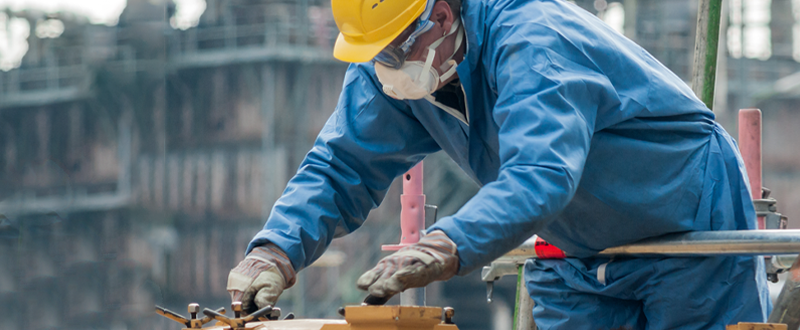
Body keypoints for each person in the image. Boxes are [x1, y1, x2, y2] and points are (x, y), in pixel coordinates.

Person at [227, 0, 772, 328]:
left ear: (439, 15)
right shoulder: (394, 68)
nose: (383, 71)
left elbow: (541, 173)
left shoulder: (532, 39)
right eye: (374, 57)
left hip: (685, 221)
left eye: (391, 52)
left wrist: (445, 244)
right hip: (576, 248)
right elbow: (340, 165)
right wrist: (274, 250)